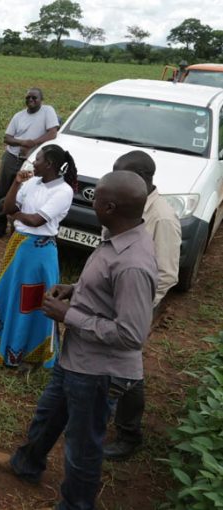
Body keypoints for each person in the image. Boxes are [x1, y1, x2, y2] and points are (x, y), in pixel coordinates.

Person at [0, 171, 158, 510]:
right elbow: (104, 287)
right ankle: (27, 463)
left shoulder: (133, 264)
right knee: (49, 414)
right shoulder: (117, 238)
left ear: (110, 207)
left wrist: (70, 316)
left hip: (99, 372)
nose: (90, 202)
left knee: (82, 447)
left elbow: (131, 334)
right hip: (77, 358)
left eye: (96, 198)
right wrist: (74, 289)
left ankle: (76, 504)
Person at [103, 150, 181, 461]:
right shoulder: (124, 204)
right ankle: (99, 414)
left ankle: (128, 434)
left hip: (135, 305)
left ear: (143, 178)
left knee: (129, 370)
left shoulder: (161, 218)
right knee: (109, 362)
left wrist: (135, 304)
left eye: (121, 173)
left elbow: (167, 274)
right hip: (111, 300)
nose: (115, 179)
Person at [0, 145, 77, 368]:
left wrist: (16, 215)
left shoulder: (63, 191)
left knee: (31, 303)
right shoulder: (32, 183)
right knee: (9, 293)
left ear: (49, 164)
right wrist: (16, 183)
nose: (33, 164)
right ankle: (2, 345)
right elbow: (7, 207)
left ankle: (28, 353)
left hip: (39, 252)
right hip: (18, 246)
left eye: (37, 159)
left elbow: (36, 221)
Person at [0, 88, 59, 239]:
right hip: (11, 157)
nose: (31, 100)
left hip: (31, 161)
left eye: (34, 97)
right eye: (28, 97)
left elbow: (52, 133)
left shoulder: (47, 111)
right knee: (3, 191)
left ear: (41, 99)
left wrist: (33, 143)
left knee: (20, 193)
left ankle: (5, 223)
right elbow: (7, 138)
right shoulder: (19, 116)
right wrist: (22, 142)